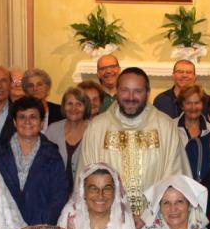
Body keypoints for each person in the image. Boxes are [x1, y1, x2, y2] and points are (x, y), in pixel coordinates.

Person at [78, 67, 191, 218]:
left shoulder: (165, 127)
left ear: (148, 93)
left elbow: (175, 176)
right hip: (108, 222)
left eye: (138, 91)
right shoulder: (98, 128)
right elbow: (85, 178)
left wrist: (147, 217)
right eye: (125, 90)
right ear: (116, 91)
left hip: (155, 222)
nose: (130, 97)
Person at [0, 96, 68, 225]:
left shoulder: (53, 155)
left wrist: (40, 226)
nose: (27, 121)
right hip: (3, 226)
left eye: (33, 117)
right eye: (22, 117)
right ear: (15, 122)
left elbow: (59, 196)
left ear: (42, 122)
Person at [45, 87, 91, 194]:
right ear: (64, 106)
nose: (73, 108)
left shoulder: (94, 129)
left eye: (79, 104)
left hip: (85, 194)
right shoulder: (52, 129)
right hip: (55, 193)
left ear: (86, 107)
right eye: (69, 103)